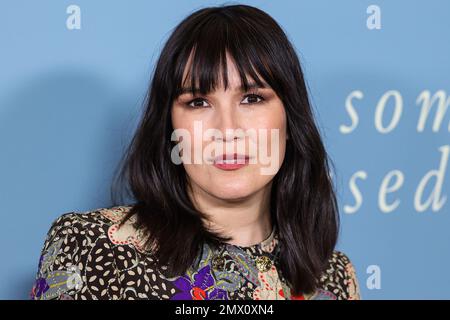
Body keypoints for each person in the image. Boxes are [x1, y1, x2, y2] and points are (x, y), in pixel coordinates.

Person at [30, 3, 361, 300]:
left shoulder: (333, 278)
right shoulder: (91, 246)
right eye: (198, 102)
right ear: (171, 128)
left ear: (290, 120)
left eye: (252, 98)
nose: (227, 129)